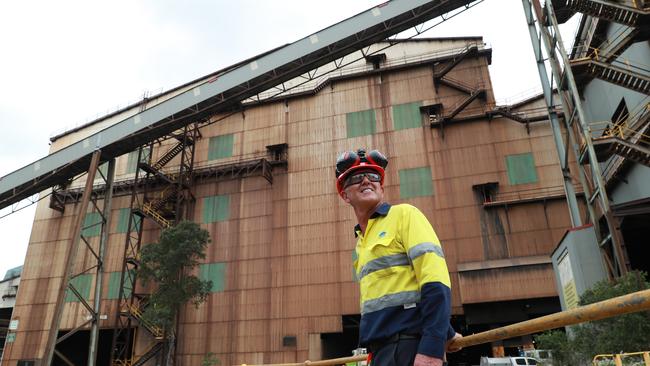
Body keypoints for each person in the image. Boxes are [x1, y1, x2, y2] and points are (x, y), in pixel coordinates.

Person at [335, 148, 462, 366]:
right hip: (381, 351)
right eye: (356, 178)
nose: (366, 180)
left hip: (409, 348)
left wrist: (432, 347)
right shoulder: (361, 242)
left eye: (373, 176)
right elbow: (403, 290)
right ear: (345, 195)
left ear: (381, 188)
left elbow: (435, 282)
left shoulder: (405, 215)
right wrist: (448, 332)